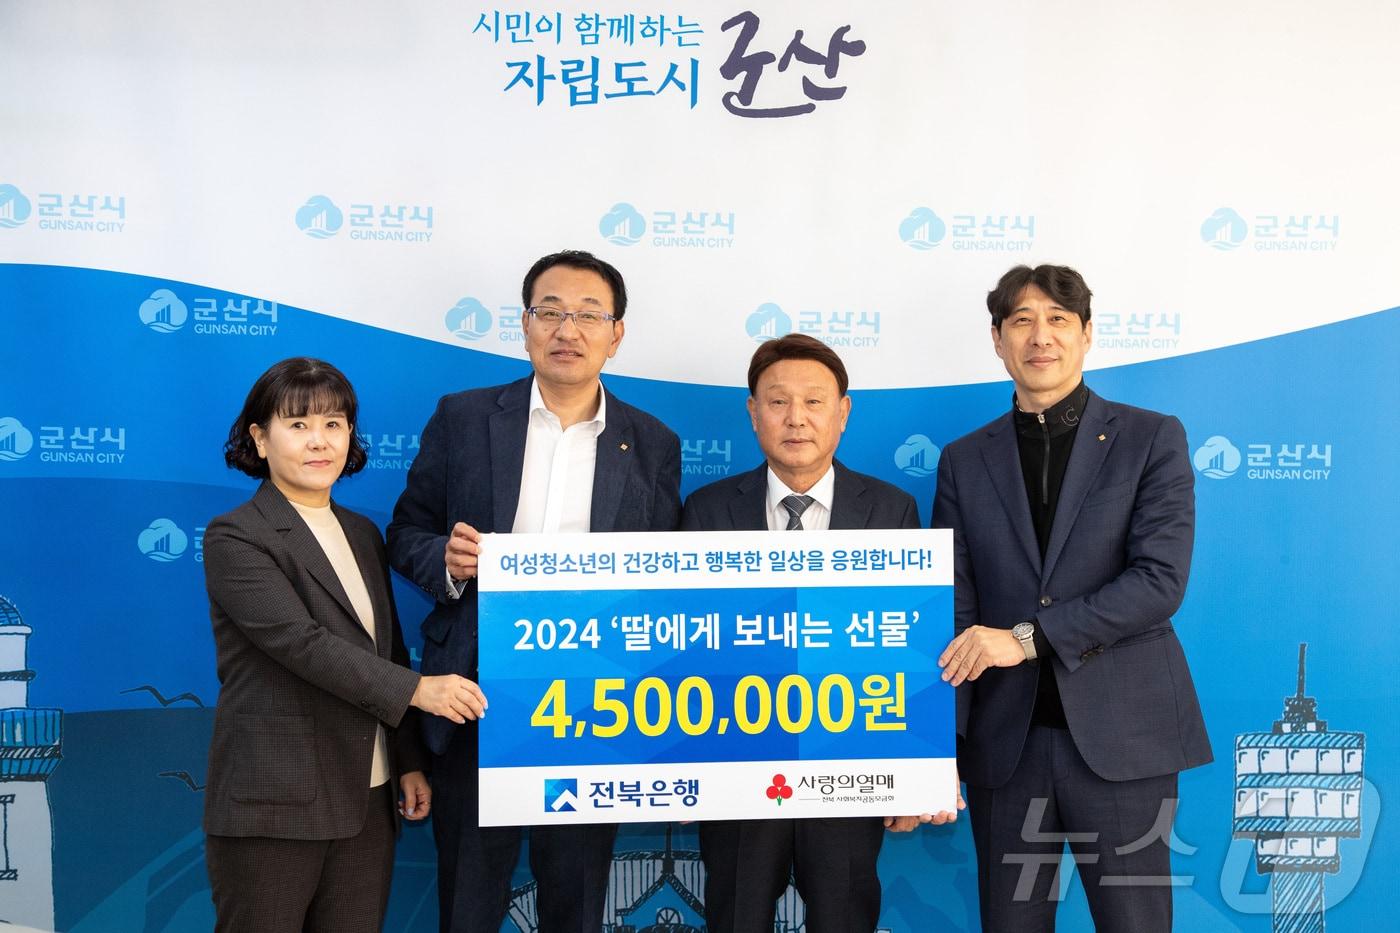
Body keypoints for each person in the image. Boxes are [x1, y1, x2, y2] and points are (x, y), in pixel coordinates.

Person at [387, 249, 682, 933]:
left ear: (616, 334)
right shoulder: (463, 418)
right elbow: (405, 532)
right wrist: (448, 561)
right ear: (524, 326)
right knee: (468, 899)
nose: (567, 329)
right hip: (474, 690)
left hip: (595, 704)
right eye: (550, 311)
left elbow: (664, 574)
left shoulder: (653, 442)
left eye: (588, 315)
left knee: (574, 902)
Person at [933, 265, 1212, 932]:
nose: (1041, 337)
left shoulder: (1151, 438)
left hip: (1124, 739)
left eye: (1058, 320)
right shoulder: (964, 460)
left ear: (1086, 334)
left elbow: (1159, 581)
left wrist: (1027, 637)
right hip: (1007, 745)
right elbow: (956, 609)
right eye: (1022, 321)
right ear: (997, 339)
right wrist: (939, 748)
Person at [681, 333, 959, 933]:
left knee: (845, 917)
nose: (796, 418)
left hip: (849, 772)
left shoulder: (891, 510)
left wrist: (915, 774)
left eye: (814, 401)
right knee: (735, 916)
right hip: (736, 770)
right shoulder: (706, 510)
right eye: (778, 401)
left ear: (843, 412)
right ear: (753, 412)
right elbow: (681, 648)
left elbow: (913, 650)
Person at [202, 357, 484, 933]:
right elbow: (300, 643)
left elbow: (387, 650)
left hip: (368, 799)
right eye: (298, 425)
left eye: (334, 424)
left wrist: (407, 761)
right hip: (276, 804)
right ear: (259, 438)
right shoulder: (237, 535)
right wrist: (420, 691)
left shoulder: (361, 532)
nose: (319, 441)